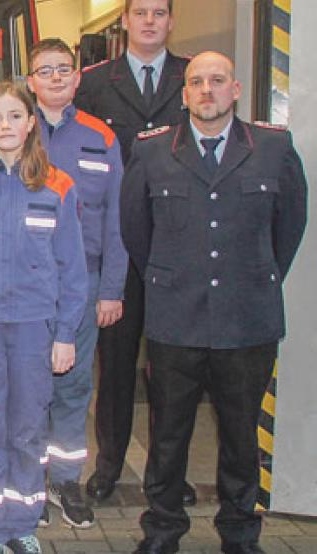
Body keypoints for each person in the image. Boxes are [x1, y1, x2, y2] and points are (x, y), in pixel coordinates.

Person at [121, 51, 307, 554]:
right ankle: (161, 531)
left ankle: (240, 534)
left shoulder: (273, 148)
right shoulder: (153, 153)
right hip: (174, 320)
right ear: (184, 94)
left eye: (217, 81)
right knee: (167, 439)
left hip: (247, 322)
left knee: (242, 439)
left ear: (236, 89)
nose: (207, 90)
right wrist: (169, 279)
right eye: (196, 82)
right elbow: (136, 231)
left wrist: (253, 277)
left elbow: (288, 227)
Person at [73, 0, 196, 505]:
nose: (149, 21)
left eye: (159, 13)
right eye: (140, 12)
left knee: (173, 369)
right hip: (118, 243)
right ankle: (108, 466)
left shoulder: (195, 78)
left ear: (170, 21)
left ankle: (169, 474)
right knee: (116, 364)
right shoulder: (94, 83)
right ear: (124, 21)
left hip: (177, 244)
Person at [0, 81, 87, 554]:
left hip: (37, 328)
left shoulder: (58, 186)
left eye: (15, 116)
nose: (5, 126)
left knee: (28, 429)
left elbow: (73, 270)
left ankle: (24, 525)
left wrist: (66, 334)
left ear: (31, 122)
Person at [26, 39, 127, 529]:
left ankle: (66, 479)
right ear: (31, 82)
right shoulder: (13, 133)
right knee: (29, 384)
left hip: (82, 284)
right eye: (45, 71)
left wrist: (112, 288)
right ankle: (30, 481)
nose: (55, 78)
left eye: (63, 69)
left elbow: (117, 223)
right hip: (25, 285)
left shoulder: (101, 138)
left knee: (73, 384)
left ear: (78, 76)